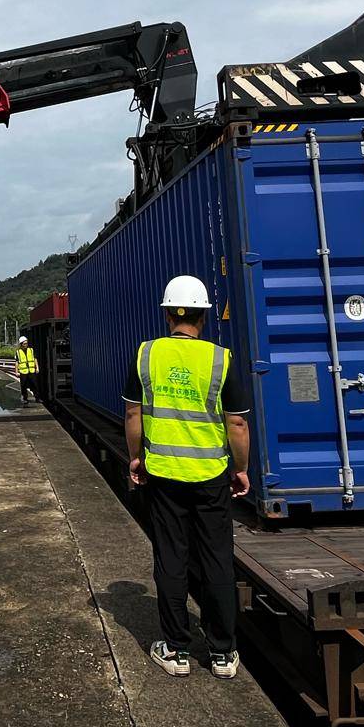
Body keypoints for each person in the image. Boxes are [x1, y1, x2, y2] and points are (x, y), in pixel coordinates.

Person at [123, 275, 251, 680]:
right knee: (216, 560)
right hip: (212, 475)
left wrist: (135, 458)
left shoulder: (146, 355)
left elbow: (132, 415)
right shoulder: (221, 359)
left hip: (163, 475)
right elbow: (237, 425)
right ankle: (222, 653)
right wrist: (241, 467)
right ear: (204, 317)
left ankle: (176, 649)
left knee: (172, 559)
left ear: (166, 314)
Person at [15, 335, 38, 403]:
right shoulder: (18, 352)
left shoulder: (31, 350)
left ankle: (37, 398)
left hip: (31, 370)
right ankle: (25, 398)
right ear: (21, 344)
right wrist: (16, 372)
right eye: (24, 343)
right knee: (23, 386)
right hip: (23, 371)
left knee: (35, 384)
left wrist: (37, 367)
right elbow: (17, 363)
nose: (26, 345)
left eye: (27, 343)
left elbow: (35, 359)